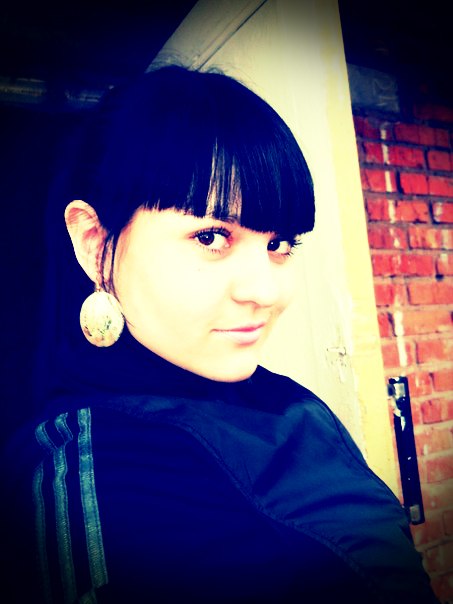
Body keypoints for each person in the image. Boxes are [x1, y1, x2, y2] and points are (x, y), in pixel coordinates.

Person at [2, 65, 438, 603]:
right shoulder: (82, 473)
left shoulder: (288, 402)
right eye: (211, 237)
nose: (266, 291)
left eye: (279, 244)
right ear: (95, 244)